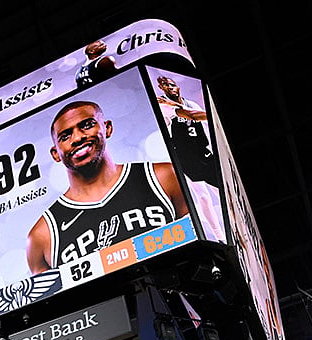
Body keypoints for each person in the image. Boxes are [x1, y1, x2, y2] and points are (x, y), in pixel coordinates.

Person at [27, 101, 190, 275]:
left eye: (87, 125)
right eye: (65, 136)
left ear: (108, 128)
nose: (77, 138)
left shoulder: (163, 177)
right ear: (55, 154)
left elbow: (201, 243)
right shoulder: (42, 236)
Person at [155, 75, 218, 187]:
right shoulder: (162, 104)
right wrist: (215, 114)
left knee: (220, 181)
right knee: (205, 189)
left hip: (202, 151)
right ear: (161, 87)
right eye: (165, 85)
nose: (170, 87)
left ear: (178, 87)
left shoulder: (191, 104)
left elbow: (205, 120)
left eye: (172, 84)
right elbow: (192, 116)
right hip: (185, 157)